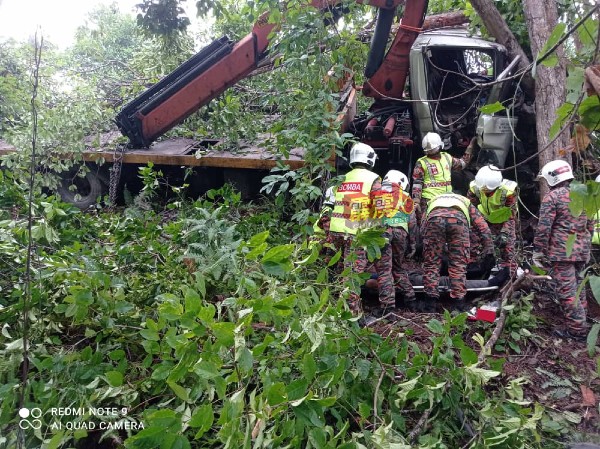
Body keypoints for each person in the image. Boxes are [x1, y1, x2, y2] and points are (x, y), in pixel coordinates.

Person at [533, 160, 593, 341]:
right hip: (582, 251)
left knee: (567, 292)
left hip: (562, 253)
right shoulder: (582, 195)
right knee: (579, 288)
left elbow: (544, 228)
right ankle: (583, 323)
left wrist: (539, 250)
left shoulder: (552, 197)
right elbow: (590, 224)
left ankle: (577, 331)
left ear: (552, 177)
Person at [329, 142, 382, 315]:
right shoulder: (373, 178)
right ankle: (351, 318)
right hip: (356, 233)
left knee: (340, 272)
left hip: (336, 230)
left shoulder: (343, 178)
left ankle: (333, 309)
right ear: (370, 159)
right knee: (352, 277)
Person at [421, 192, 494, 305]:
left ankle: (430, 302)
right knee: (457, 264)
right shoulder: (465, 201)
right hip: (458, 221)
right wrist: (489, 249)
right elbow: (483, 227)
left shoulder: (433, 200)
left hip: (434, 220)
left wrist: (427, 244)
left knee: (432, 263)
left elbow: (423, 225)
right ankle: (458, 303)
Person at [467, 165, 518, 286]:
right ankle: (475, 270)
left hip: (504, 220)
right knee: (474, 242)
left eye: (488, 191)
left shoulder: (508, 191)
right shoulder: (475, 187)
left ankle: (510, 277)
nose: (485, 192)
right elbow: (471, 208)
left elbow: (512, 214)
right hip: (483, 218)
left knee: (508, 248)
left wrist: (505, 232)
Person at [373, 170, 417, 310]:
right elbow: (412, 222)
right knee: (398, 267)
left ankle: (388, 306)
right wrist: (413, 243)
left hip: (382, 232)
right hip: (400, 233)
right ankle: (410, 298)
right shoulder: (405, 196)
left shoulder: (376, 193)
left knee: (385, 270)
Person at [411, 132, 474, 223]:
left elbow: (462, 163)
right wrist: (416, 201)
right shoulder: (422, 162)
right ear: (440, 145)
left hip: (445, 198)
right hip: (429, 200)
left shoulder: (446, 157)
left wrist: (470, 147)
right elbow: (417, 183)